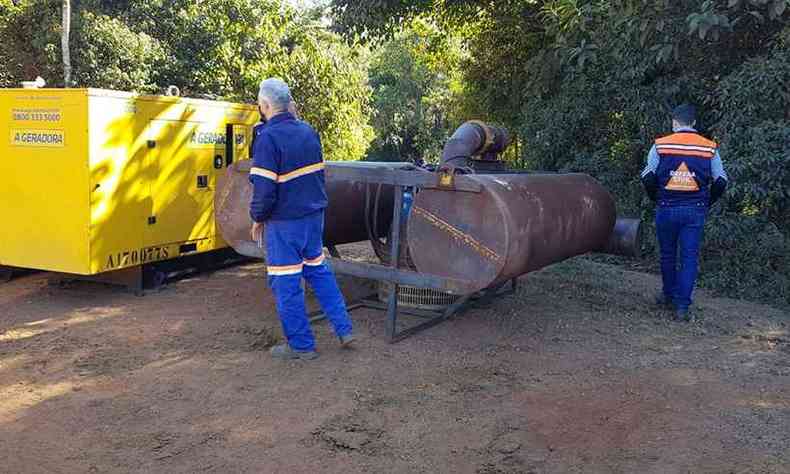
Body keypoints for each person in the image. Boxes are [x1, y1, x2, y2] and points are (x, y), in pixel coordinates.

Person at [249, 78, 354, 360]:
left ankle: (301, 346)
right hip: (313, 218)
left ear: (266, 105)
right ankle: (344, 329)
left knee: (286, 284)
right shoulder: (309, 132)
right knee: (319, 273)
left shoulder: (268, 139)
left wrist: (257, 218)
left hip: (284, 224)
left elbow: (264, 190)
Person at [641, 104, 728, 322]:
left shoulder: (660, 145)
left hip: (667, 208)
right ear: (694, 123)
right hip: (695, 210)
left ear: (674, 122)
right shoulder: (709, 148)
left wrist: (657, 198)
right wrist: (707, 201)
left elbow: (648, 177)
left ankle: (668, 295)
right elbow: (720, 181)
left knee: (668, 255)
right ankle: (682, 308)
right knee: (689, 258)